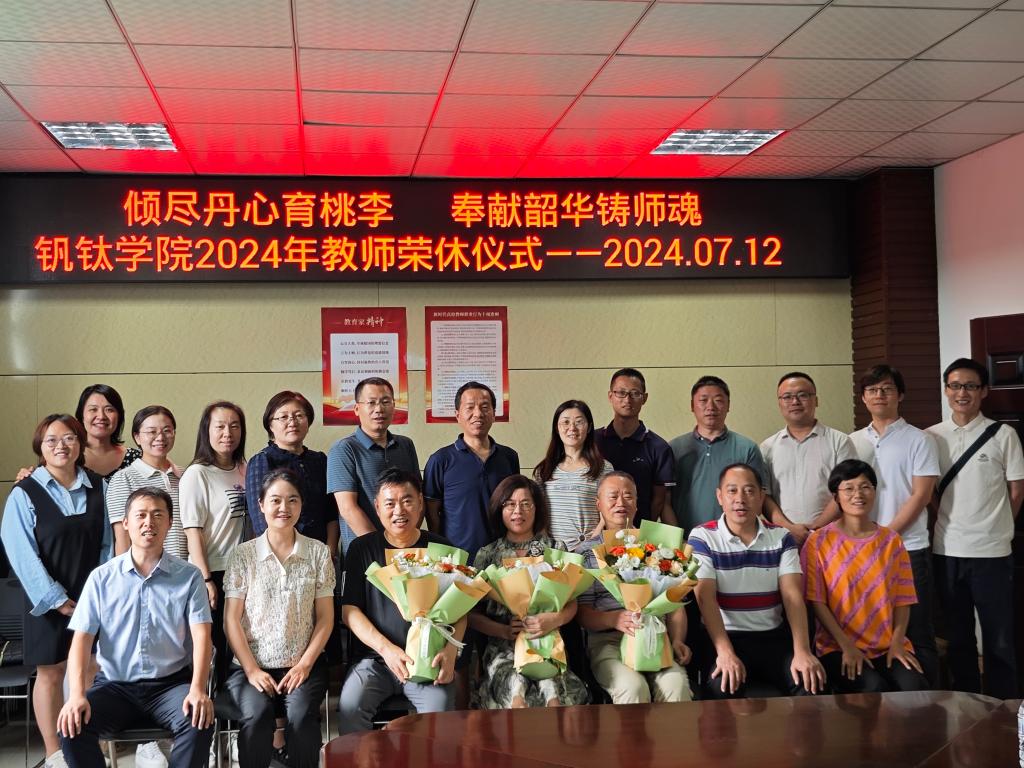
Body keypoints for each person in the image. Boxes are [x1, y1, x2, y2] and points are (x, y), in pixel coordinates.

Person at [57, 488, 214, 768]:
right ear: (126, 523)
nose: (148, 522)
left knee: (198, 720)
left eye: (157, 515)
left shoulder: (189, 577)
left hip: (170, 685)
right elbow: (81, 640)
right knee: (71, 726)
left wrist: (198, 689)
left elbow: (202, 637)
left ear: (169, 522)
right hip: (114, 687)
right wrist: (77, 695)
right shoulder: (102, 578)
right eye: (140, 515)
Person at [1, 414, 110, 768]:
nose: (61, 446)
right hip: (44, 598)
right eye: (52, 440)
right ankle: (54, 753)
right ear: (40, 447)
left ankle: (85, 746)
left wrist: (98, 594)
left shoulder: (99, 486)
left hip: (91, 595)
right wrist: (57, 599)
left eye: (69, 438)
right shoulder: (24, 492)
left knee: (90, 667)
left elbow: (109, 543)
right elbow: (20, 551)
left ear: (80, 444)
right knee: (50, 672)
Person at [338, 468, 465, 734]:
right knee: (350, 707)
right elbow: (349, 611)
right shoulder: (362, 549)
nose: (399, 511)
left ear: (420, 503)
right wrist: (386, 650)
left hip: (427, 660)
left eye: (407, 501)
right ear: (377, 507)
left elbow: (461, 609)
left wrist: (450, 652)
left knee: (441, 713)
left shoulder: (442, 549)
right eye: (390, 503)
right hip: (375, 661)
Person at [926, 357, 1024, 698]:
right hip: (947, 550)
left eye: (970, 386)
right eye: (955, 386)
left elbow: (1016, 491)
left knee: (999, 637)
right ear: (946, 390)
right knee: (958, 636)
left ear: (983, 391)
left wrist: (997, 526)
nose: (962, 393)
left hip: (992, 553)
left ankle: (1004, 705)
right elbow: (928, 492)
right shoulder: (931, 437)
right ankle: (966, 703)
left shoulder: (1004, 435)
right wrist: (947, 518)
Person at [223, 469, 335, 768]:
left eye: (292, 500)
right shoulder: (243, 555)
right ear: (260, 504)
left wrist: (305, 664)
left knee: (301, 717)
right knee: (256, 716)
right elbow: (231, 620)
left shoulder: (318, 553)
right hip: (250, 666)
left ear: (301, 505)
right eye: (275, 500)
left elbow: (326, 618)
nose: (284, 507)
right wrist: (251, 670)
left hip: (304, 665)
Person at [688, 463, 825, 699]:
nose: (740, 499)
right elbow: (705, 597)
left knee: (810, 683)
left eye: (749, 491)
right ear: (720, 496)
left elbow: (792, 596)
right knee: (721, 688)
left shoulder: (781, 537)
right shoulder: (703, 536)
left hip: (772, 637)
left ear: (761, 497)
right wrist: (725, 652)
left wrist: (802, 651)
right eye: (732, 491)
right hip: (725, 637)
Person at [802, 460, 928, 693]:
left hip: (887, 645)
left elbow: (903, 599)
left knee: (914, 687)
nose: (858, 494)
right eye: (849, 488)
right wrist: (846, 646)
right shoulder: (818, 542)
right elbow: (816, 601)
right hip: (837, 647)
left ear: (874, 491)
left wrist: (898, 642)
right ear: (836, 496)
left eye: (865, 487)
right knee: (872, 690)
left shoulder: (891, 541)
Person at [849, 363, 940, 686]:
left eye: (887, 389)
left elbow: (921, 494)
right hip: (860, 550)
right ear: (863, 397)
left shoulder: (919, 439)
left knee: (918, 631)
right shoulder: (852, 441)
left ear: (900, 395)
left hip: (907, 548)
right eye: (872, 390)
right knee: (869, 626)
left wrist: (885, 535)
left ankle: (929, 701)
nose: (879, 395)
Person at [470, 475, 589, 709]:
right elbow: (472, 614)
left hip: (549, 644)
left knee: (556, 697)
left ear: (537, 508)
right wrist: (503, 630)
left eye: (526, 504)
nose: (518, 511)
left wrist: (554, 619)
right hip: (503, 649)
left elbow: (572, 602)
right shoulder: (487, 554)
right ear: (499, 509)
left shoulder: (555, 550)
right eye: (510, 504)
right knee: (516, 695)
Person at [576, 472, 693, 704]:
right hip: (608, 641)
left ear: (637, 504)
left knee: (675, 685)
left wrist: (677, 640)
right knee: (632, 688)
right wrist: (615, 619)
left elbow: (675, 605)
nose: (621, 502)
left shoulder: (658, 547)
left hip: (657, 636)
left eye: (628, 496)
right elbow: (582, 613)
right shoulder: (587, 552)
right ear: (598, 504)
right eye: (613, 497)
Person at [179, 400, 248, 685]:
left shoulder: (245, 468)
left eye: (234, 426)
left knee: (241, 643)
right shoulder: (197, 474)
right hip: (214, 571)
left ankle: (241, 703)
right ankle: (215, 706)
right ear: (206, 431)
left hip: (244, 571)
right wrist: (205, 579)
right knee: (217, 643)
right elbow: (192, 530)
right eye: (219, 426)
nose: (227, 433)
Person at [424, 381, 520, 561]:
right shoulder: (440, 460)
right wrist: (443, 550)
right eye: (470, 407)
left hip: (504, 556)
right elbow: (431, 511)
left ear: (494, 414)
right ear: (458, 415)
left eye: (485, 407)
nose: (478, 414)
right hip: (458, 559)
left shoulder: (509, 457)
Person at [760, 372, 857, 544]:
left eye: (803, 395)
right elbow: (764, 495)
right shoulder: (767, 447)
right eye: (787, 397)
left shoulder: (840, 442)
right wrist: (789, 528)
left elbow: (848, 489)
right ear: (779, 403)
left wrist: (814, 529)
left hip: (833, 539)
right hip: (783, 539)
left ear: (816, 400)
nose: (795, 402)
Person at [327, 377, 419, 554]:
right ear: (356, 409)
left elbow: (416, 497)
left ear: (394, 406)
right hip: (364, 552)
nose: (379, 409)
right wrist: (381, 548)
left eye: (385, 402)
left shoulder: (406, 445)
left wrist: (406, 540)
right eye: (371, 403)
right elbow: (347, 508)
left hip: (405, 550)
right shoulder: (344, 449)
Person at [670, 375, 767, 533]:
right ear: (692, 406)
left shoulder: (747, 448)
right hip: (686, 539)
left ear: (728, 405)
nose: (711, 407)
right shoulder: (674, 448)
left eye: (718, 400)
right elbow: (664, 501)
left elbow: (757, 500)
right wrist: (677, 538)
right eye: (703, 400)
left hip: (733, 540)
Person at [245, 391, 338, 552]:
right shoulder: (262, 461)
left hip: (321, 552)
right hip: (280, 554)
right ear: (270, 425)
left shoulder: (320, 460)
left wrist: (330, 550)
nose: (292, 422)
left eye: (299, 415)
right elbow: (260, 521)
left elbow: (332, 512)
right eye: (283, 417)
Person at [593, 368, 675, 525]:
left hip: (639, 534)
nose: (627, 399)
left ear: (644, 398)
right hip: (596, 532)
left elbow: (659, 500)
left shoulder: (659, 447)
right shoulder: (593, 441)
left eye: (635, 393)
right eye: (621, 393)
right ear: (610, 396)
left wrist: (642, 530)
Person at [107, 405, 187, 559]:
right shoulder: (123, 479)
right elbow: (122, 540)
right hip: (147, 569)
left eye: (167, 430)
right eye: (151, 431)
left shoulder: (186, 476)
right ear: (137, 437)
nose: (160, 437)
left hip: (186, 569)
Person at [533, 400, 613, 553]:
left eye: (579, 422)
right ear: (557, 428)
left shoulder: (604, 468)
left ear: (589, 427)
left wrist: (590, 545)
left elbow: (606, 514)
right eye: (565, 422)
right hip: (554, 552)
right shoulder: (543, 470)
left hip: (593, 549)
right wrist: (550, 548)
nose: (572, 428)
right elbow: (539, 513)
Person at [75, 384, 142, 479]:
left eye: (109, 410)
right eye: (93, 409)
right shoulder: (70, 456)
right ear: (82, 416)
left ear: (119, 417)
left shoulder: (136, 458)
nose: (101, 416)